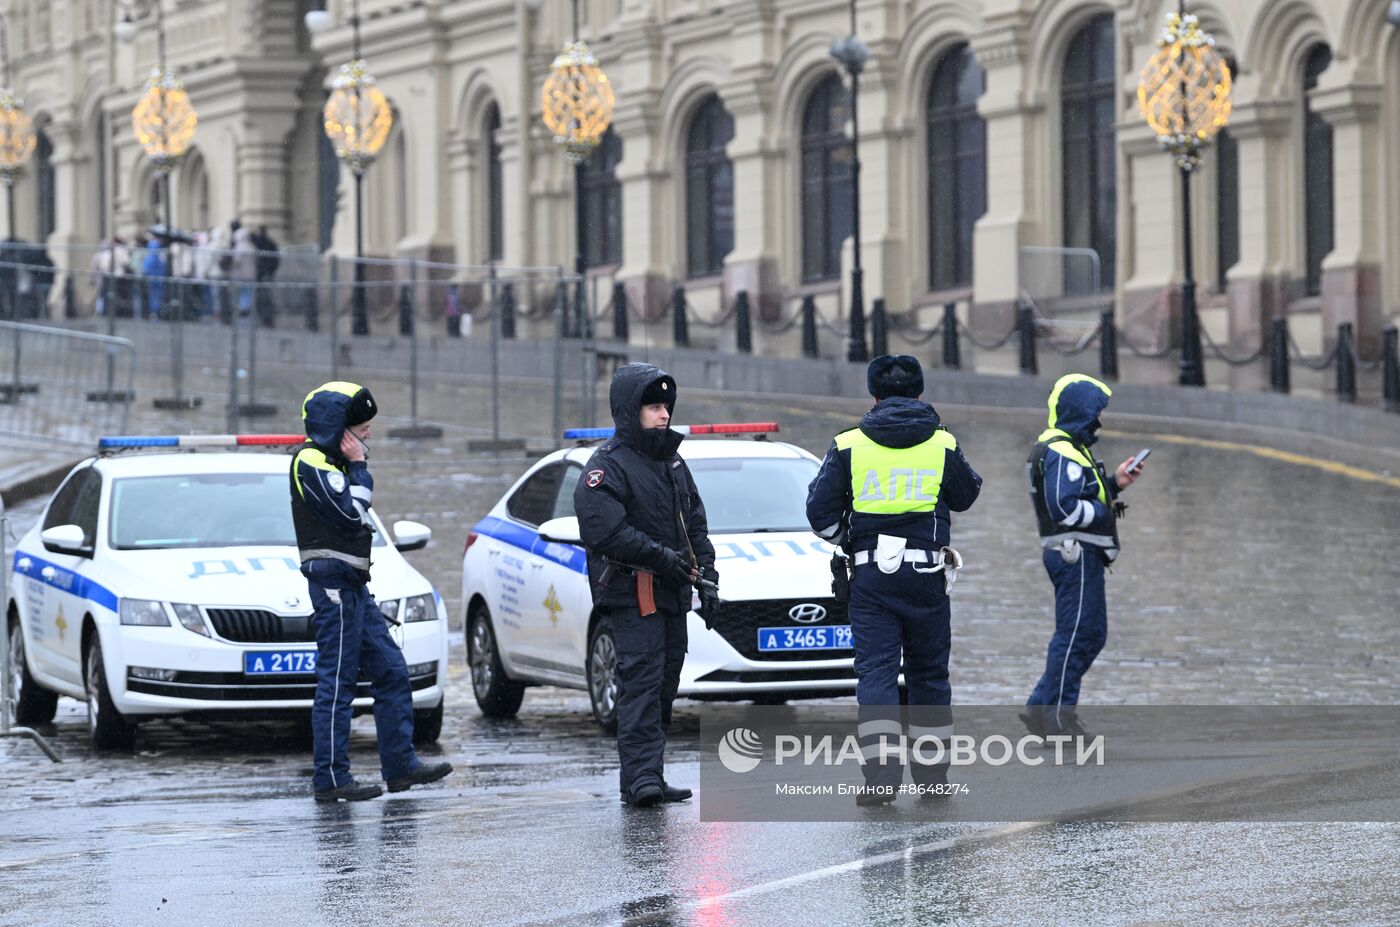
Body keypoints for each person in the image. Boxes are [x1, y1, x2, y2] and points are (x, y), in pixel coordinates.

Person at [806, 355, 982, 807]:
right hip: (927, 575)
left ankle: (881, 780)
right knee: (929, 675)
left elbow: (818, 513)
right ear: (921, 393)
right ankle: (932, 776)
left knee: (878, 676)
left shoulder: (848, 444)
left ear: (874, 395)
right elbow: (966, 495)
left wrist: (851, 541)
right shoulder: (942, 442)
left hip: (871, 579)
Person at [290, 381, 453, 802]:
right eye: (362, 426)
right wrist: (359, 466)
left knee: (392, 671)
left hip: (354, 589)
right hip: (334, 589)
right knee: (338, 683)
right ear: (339, 428)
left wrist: (355, 465)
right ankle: (330, 779)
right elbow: (350, 513)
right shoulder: (311, 462)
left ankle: (400, 765)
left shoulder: (335, 461)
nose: (369, 434)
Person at [573, 362, 718, 808]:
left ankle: (650, 773)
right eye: (654, 407)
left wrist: (708, 578)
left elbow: (694, 522)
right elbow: (605, 533)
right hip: (633, 595)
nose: (663, 415)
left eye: (666, 407)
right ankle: (639, 781)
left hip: (672, 592)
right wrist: (663, 559)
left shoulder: (673, 461)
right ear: (629, 411)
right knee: (640, 682)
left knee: (664, 685)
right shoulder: (606, 466)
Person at [1020, 374, 1146, 739]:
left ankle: (1042, 706)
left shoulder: (1067, 448)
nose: (1099, 422)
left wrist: (1116, 484)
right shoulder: (1062, 450)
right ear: (1079, 412)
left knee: (1089, 634)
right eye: (1095, 414)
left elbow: (1077, 495)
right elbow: (1063, 507)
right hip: (1073, 554)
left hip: (1078, 554)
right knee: (1076, 634)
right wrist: (1102, 513)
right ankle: (1058, 718)